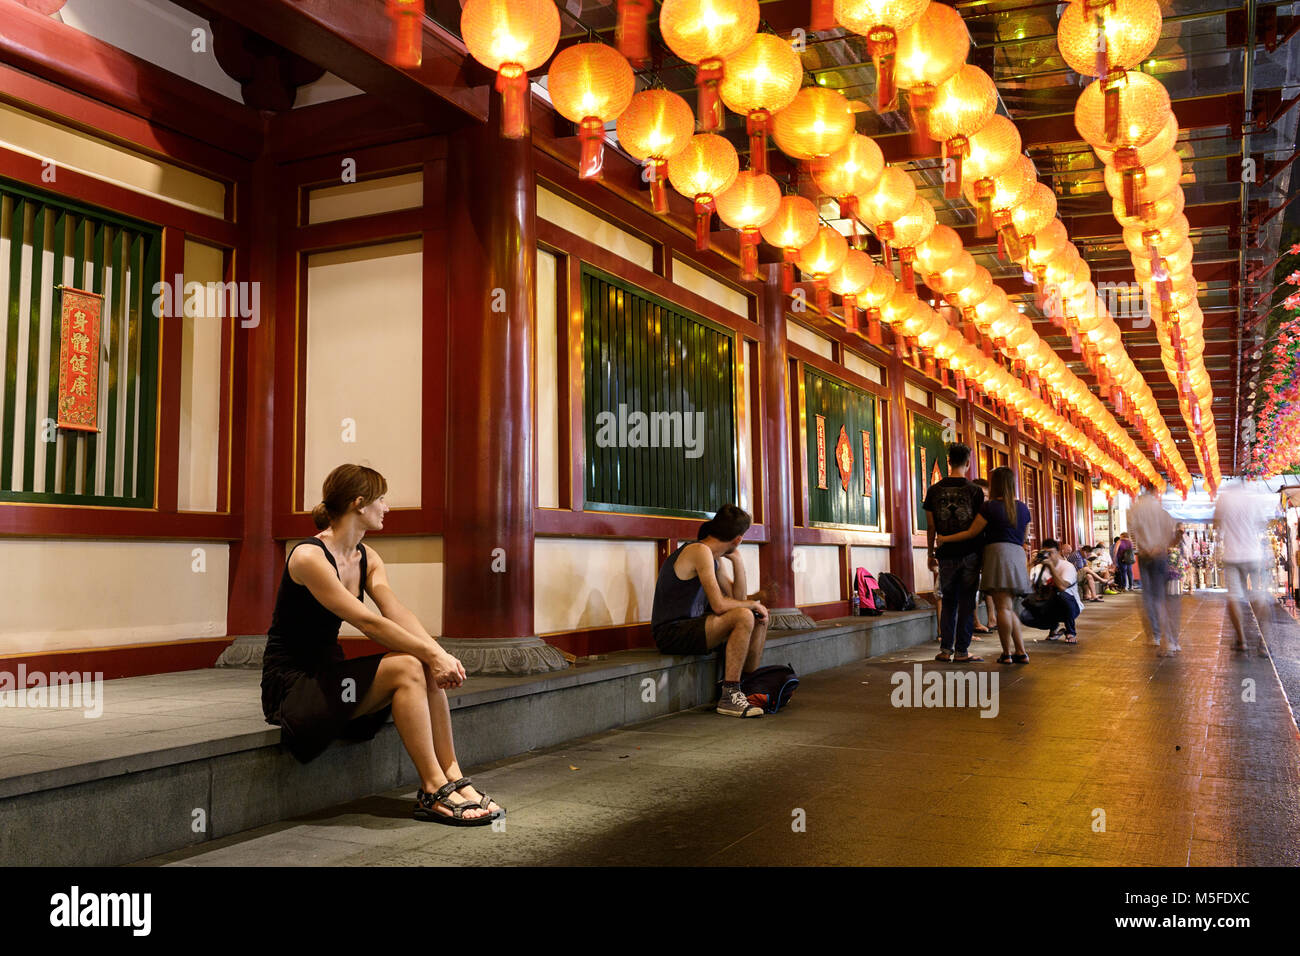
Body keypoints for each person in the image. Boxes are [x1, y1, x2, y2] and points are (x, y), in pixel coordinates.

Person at [261, 464, 502, 826]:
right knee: (409, 663)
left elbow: (393, 609)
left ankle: (452, 775)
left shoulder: (367, 556)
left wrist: (437, 653)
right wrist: (431, 654)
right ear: (359, 504)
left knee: (419, 661)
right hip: (294, 689)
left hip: (332, 683)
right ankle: (432, 788)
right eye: (381, 499)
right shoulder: (308, 556)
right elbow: (367, 622)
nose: (386, 507)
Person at [650, 504, 770, 717]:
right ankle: (729, 695)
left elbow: (737, 599)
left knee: (757, 617)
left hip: (693, 628)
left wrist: (738, 561)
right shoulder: (698, 551)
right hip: (671, 632)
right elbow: (720, 605)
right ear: (738, 539)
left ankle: (744, 685)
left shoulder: (713, 559)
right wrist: (751, 604)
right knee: (744, 614)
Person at [935, 466, 1033, 665]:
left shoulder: (989, 507)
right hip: (1017, 555)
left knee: (1003, 609)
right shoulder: (1022, 508)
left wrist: (946, 537)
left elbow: (971, 533)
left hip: (997, 554)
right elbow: (1025, 537)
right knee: (1009, 607)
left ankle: (1006, 654)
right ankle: (1021, 651)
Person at [924, 443, 985, 663]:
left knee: (948, 601)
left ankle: (945, 650)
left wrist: (931, 552)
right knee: (968, 602)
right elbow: (980, 526)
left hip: (945, 553)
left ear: (948, 461)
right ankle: (962, 651)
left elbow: (931, 526)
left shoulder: (934, 490)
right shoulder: (975, 491)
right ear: (968, 463)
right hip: (971, 554)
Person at [1214, 479, 1276, 657]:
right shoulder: (1253, 496)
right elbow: (1261, 525)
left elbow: (1216, 523)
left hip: (1232, 555)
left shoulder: (1224, 497)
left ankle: (1241, 641)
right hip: (1253, 555)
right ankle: (1263, 644)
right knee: (1259, 596)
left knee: (1234, 597)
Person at [1127, 489, 1179, 655]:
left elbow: (1132, 533)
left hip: (1144, 555)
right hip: (1159, 554)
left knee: (1148, 596)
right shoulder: (1161, 511)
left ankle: (1155, 636)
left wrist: (1143, 547)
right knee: (1160, 597)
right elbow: (1170, 533)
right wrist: (1160, 546)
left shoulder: (1134, 509)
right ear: (1155, 492)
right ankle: (1169, 639)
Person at [1030, 539, 1083, 643]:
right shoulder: (1038, 567)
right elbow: (1026, 586)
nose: (1048, 556)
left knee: (1060, 594)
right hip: (1050, 604)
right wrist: (1031, 563)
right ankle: (1053, 629)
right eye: (1045, 553)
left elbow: (1062, 587)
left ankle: (1070, 632)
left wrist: (1050, 567)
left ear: (1058, 552)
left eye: (1051, 553)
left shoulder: (1067, 566)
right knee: (1025, 615)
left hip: (1072, 607)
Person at [971, 478, 997, 635]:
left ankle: (992, 618)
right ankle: (975, 621)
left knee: (990, 586)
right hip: (972, 553)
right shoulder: (969, 512)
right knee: (973, 587)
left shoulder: (990, 512)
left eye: (986, 496)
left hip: (987, 553)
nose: (983, 499)